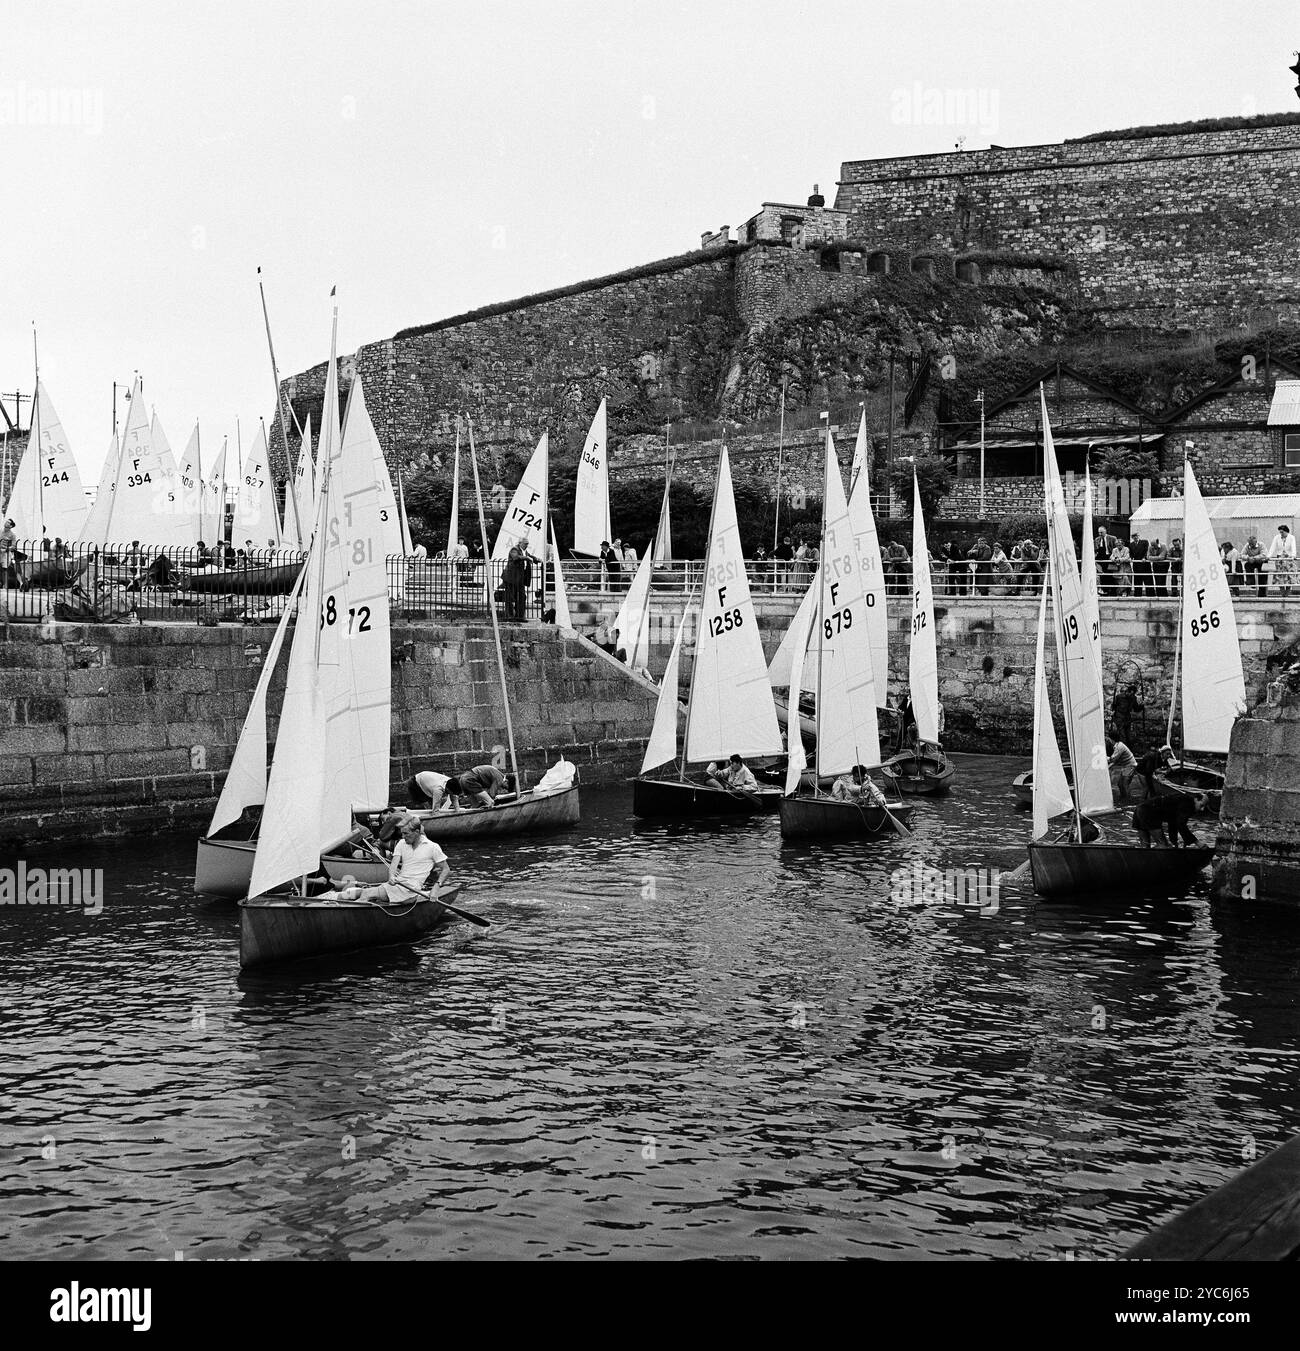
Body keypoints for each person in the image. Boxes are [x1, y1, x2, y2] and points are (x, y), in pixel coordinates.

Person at [349, 815, 449, 903]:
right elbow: (393, 865)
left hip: (410, 891)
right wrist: (391, 876)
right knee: (364, 892)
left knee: (367, 894)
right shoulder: (401, 843)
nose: (403, 837)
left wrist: (436, 887)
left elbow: (446, 869)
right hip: (398, 885)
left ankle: (349, 914)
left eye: (406, 834)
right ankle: (337, 897)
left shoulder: (432, 847)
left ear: (417, 832)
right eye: (402, 833)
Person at [1132, 792, 1208, 849]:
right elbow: (1181, 825)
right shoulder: (1188, 804)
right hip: (1149, 812)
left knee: (1145, 846)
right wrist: (1197, 843)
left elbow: (1173, 823)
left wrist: (1174, 842)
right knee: (1163, 846)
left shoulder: (1181, 800)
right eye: (1201, 805)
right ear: (1196, 799)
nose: (1202, 809)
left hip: (1140, 808)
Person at [503, 542, 532, 621]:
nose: (527, 545)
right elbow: (515, 557)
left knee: (522, 597)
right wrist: (526, 558)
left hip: (519, 579)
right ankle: (510, 616)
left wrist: (536, 559)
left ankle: (519, 616)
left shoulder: (524, 551)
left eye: (527, 543)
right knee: (510, 597)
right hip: (510, 578)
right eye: (525, 543)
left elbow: (529, 556)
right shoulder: (514, 549)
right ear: (520, 543)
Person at [1268, 523, 1296, 596]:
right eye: (1280, 532)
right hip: (1280, 559)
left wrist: (1293, 555)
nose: (1281, 534)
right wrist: (1269, 556)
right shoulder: (1277, 537)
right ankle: (1282, 593)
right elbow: (1273, 547)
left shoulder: (1291, 537)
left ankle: (1287, 593)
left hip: (1288, 560)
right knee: (1280, 576)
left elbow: (1293, 547)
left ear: (1286, 531)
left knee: (1289, 576)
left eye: (1282, 532)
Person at [1107, 737, 1138, 801]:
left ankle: (1128, 799)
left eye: (1108, 739)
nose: (1107, 740)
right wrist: (1108, 767)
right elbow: (1116, 760)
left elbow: (1113, 759)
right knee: (1120, 783)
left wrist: (1104, 757)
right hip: (1127, 766)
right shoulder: (1118, 746)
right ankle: (1123, 797)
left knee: (1124, 783)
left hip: (1130, 766)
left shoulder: (1119, 747)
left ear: (1111, 739)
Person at [1095, 524, 1119, 595]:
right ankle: (1105, 590)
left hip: (1110, 557)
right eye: (1099, 532)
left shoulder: (1112, 538)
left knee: (1110, 575)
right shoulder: (1097, 539)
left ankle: (1112, 591)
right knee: (1103, 575)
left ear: (1105, 531)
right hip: (1101, 558)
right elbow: (1096, 549)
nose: (1100, 534)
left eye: (1101, 532)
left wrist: (1114, 557)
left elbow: (1116, 548)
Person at [0, 518, 18, 588]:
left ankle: (5, 585)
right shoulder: (0, 531)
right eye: (6, 522)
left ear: (11, 526)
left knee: (5, 569)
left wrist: (6, 549)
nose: (6, 523)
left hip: (5, 553)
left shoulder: (12, 535)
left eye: (8, 523)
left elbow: (13, 546)